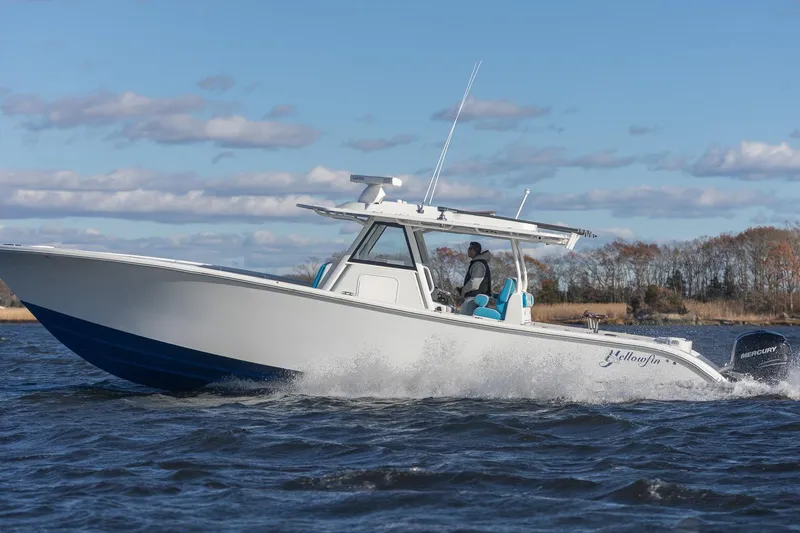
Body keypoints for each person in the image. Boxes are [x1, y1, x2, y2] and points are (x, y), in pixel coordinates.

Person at [456, 241, 492, 315]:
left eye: (470, 248)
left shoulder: (478, 264)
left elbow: (474, 283)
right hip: (476, 298)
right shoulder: (477, 263)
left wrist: (463, 290)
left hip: (473, 299)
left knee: (463, 318)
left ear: (475, 250)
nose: (468, 250)